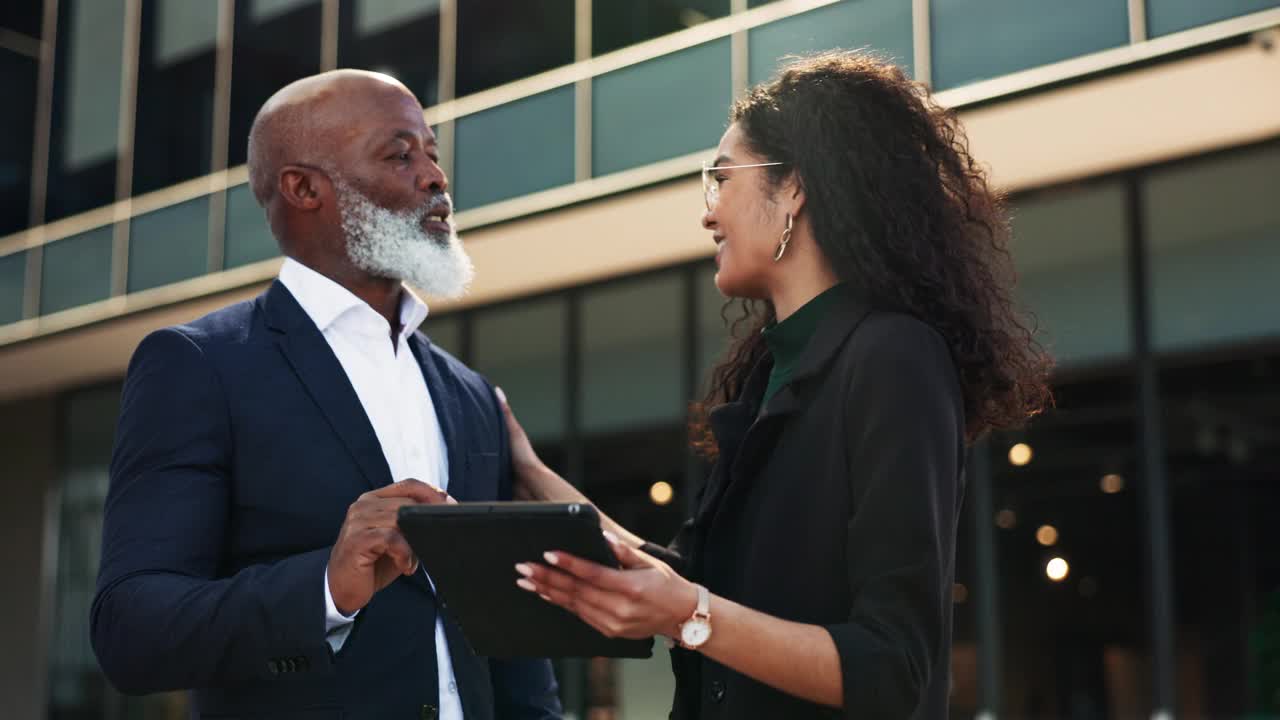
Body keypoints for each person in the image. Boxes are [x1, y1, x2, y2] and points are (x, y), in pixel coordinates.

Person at [499, 51, 1052, 719]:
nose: (708, 214)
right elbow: (689, 583)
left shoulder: (894, 357)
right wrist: (530, 474)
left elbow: (896, 671)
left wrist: (692, 616)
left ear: (794, 187)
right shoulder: (771, 370)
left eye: (721, 179)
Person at [91, 70, 562, 720]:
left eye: (432, 152)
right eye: (400, 154)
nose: (434, 177)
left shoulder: (471, 395)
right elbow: (131, 632)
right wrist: (326, 587)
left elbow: (510, 639)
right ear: (304, 188)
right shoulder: (200, 365)